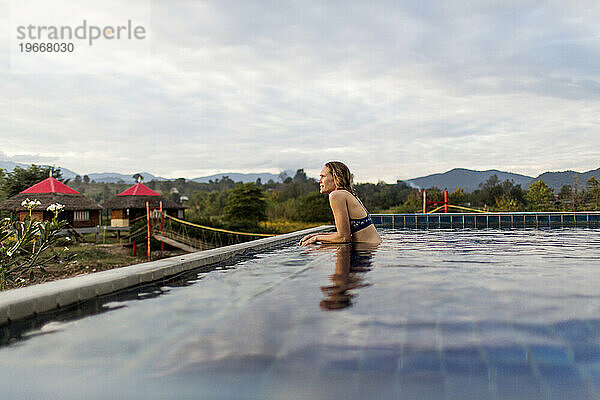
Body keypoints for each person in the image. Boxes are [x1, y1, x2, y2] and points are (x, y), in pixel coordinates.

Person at [299, 161, 382, 246]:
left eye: (323, 176)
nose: (319, 181)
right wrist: (317, 235)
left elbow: (343, 238)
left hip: (366, 251)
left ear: (337, 178)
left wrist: (316, 238)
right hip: (372, 250)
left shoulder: (336, 195)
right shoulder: (347, 194)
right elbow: (345, 234)